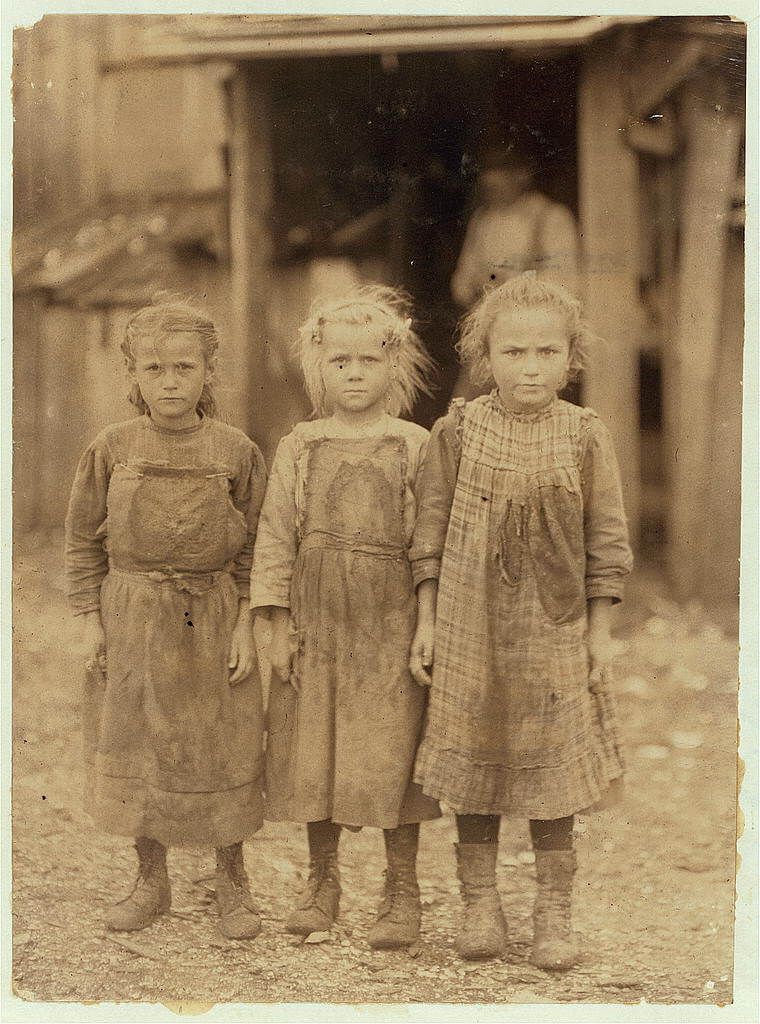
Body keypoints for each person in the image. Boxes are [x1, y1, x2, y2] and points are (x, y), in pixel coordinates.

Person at [409, 272, 632, 966]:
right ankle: (480, 905)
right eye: (513, 353)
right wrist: (425, 621)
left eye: (545, 353)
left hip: (553, 629)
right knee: (472, 757)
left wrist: (598, 634)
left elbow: (607, 540)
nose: (530, 367)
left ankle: (553, 912)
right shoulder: (460, 430)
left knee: (552, 768)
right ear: (485, 358)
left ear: (570, 359)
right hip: (468, 624)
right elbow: (429, 533)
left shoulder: (585, 435)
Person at [65, 298, 267, 940]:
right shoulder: (111, 448)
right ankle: (150, 881)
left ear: (211, 371)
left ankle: (231, 881)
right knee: (139, 742)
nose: (171, 380)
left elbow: (259, 545)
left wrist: (246, 627)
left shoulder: (236, 450)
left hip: (213, 615)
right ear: (133, 375)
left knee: (221, 743)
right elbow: (80, 543)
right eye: (155, 368)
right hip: (133, 615)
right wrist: (92, 622)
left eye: (185, 366)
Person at [250, 285, 440, 950]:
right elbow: (275, 536)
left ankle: (402, 891)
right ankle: (321, 884)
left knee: (393, 752)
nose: (354, 373)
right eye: (340, 362)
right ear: (317, 367)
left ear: (393, 366)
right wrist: (272, 621)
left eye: (367, 360)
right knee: (315, 752)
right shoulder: (299, 447)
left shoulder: (415, 445)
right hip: (318, 621)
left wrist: (427, 621)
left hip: (388, 623)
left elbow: (429, 546)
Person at [450, 145, 580, 401]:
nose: (490, 184)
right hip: (492, 335)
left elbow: (569, 285)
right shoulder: (483, 220)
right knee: (469, 410)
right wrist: (479, 284)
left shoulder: (551, 217)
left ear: (522, 175)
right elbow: (461, 284)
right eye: (487, 176)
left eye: (500, 173)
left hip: (538, 336)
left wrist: (515, 285)